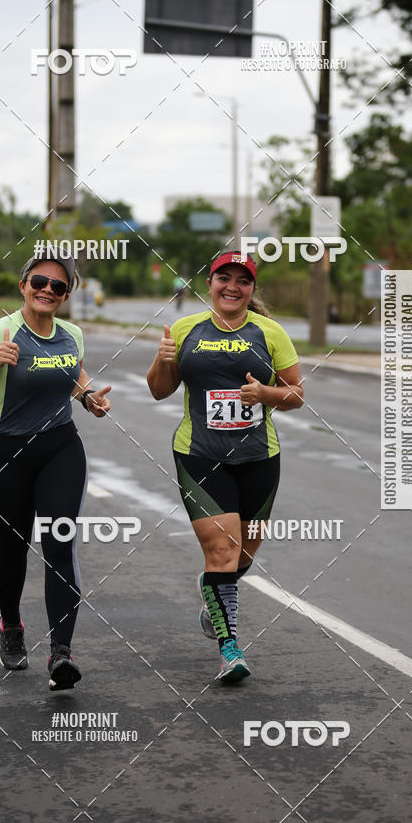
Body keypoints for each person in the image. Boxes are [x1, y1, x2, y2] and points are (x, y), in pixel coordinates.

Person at [0, 250, 111, 690]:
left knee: (60, 543)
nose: (47, 291)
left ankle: (61, 654)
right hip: (2, 451)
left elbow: (72, 373)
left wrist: (89, 396)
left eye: (58, 286)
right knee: (11, 548)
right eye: (40, 281)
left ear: (66, 295)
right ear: (23, 285)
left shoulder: (71, 333)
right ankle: (11, 625)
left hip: (60, 446)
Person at [147, 251, 303, 683]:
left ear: (252, 289)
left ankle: (213, 595)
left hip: (258, 458)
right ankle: (229, 648)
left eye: (243, 280)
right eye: (223, 278)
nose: (232, 286)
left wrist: (265, 396)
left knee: (242, 555)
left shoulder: (270, 332)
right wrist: (162, 359)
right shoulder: (184, 329)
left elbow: (296, 394)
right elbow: (160, 391)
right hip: (200, 455)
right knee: (221, 550)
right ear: (210, 283)